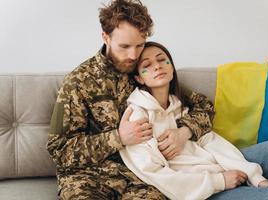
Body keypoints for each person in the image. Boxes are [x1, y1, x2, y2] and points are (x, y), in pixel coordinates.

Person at [46, 0, 214, 199]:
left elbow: (205, 107)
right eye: (124, 46)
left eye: (139, 45)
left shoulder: (146, 71)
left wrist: (183, 132)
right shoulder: (78, 82)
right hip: (87, 177)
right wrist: (118, 137)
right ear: (105, 37)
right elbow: (59, 150)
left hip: (139, 176)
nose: (133, 55)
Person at [120, 41, 268, 200]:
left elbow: (211, 141)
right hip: (203, 191)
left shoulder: (181, 107)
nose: (157, 66)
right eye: (147, 65)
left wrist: (255, 177)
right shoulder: (137, 117)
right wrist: (219, 181)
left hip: (225, 171)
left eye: (161, 60)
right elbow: (154, 173)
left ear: (171, 67)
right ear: (139, 78)